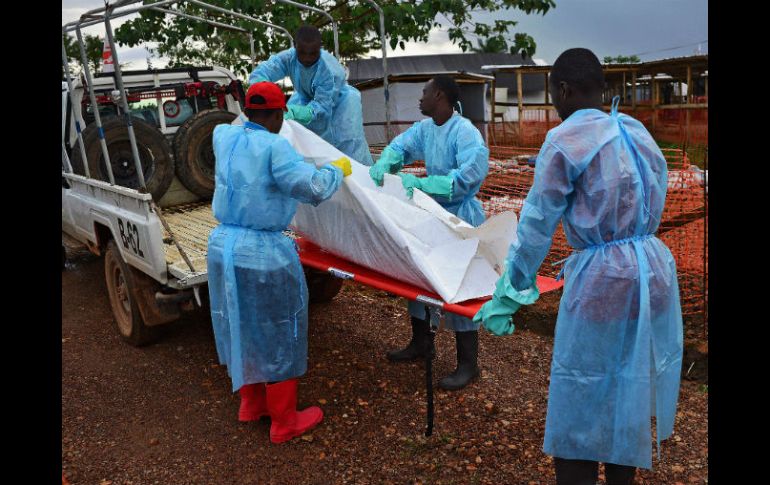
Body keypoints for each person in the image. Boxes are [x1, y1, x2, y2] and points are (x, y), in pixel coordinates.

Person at [474, 48, 683, 484]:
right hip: (651, 271)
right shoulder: (635, 130)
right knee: (628, 387)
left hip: (604, 280)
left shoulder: (567, 139)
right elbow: (655, 191)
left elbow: (536, 221)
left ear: (564, 91)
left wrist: (511, 290)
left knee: (580, 396)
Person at [207, 81, 352, 444]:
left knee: (240, 323)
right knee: (278, 330)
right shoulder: (276, 147)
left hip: (223, 247)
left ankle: (251, 404)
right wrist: (338, 169)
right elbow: (314, 189)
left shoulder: (222, 135)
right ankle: (284, 421)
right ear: (276, 115)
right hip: (262, 251)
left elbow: (237, 126)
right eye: (279, 116)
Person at [369, 75, 490, 390]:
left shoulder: (465, 133)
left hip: (459, 217)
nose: (420, 99)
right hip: (433, 215)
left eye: (424, 93)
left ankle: (468, 363)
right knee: (420, 275)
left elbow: (468, 176)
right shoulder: (425, 129)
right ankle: (422, 343)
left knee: (459, 286)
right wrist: (387, 163)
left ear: (439, 95)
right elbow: (402, 147)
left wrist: (425, 184)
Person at [249, 25, 374, 166]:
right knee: (296, 141)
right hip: (305, 98)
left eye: (313, 53)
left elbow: (320, 108)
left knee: (349, 147)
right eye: (302, 52)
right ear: (295, 47)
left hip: (339, 103)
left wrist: (295, 112)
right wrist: (263, 93)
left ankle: (361, 183)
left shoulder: (331, 71)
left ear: (319, 48)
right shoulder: (288, 57)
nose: (307, 58)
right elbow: (261, 73)